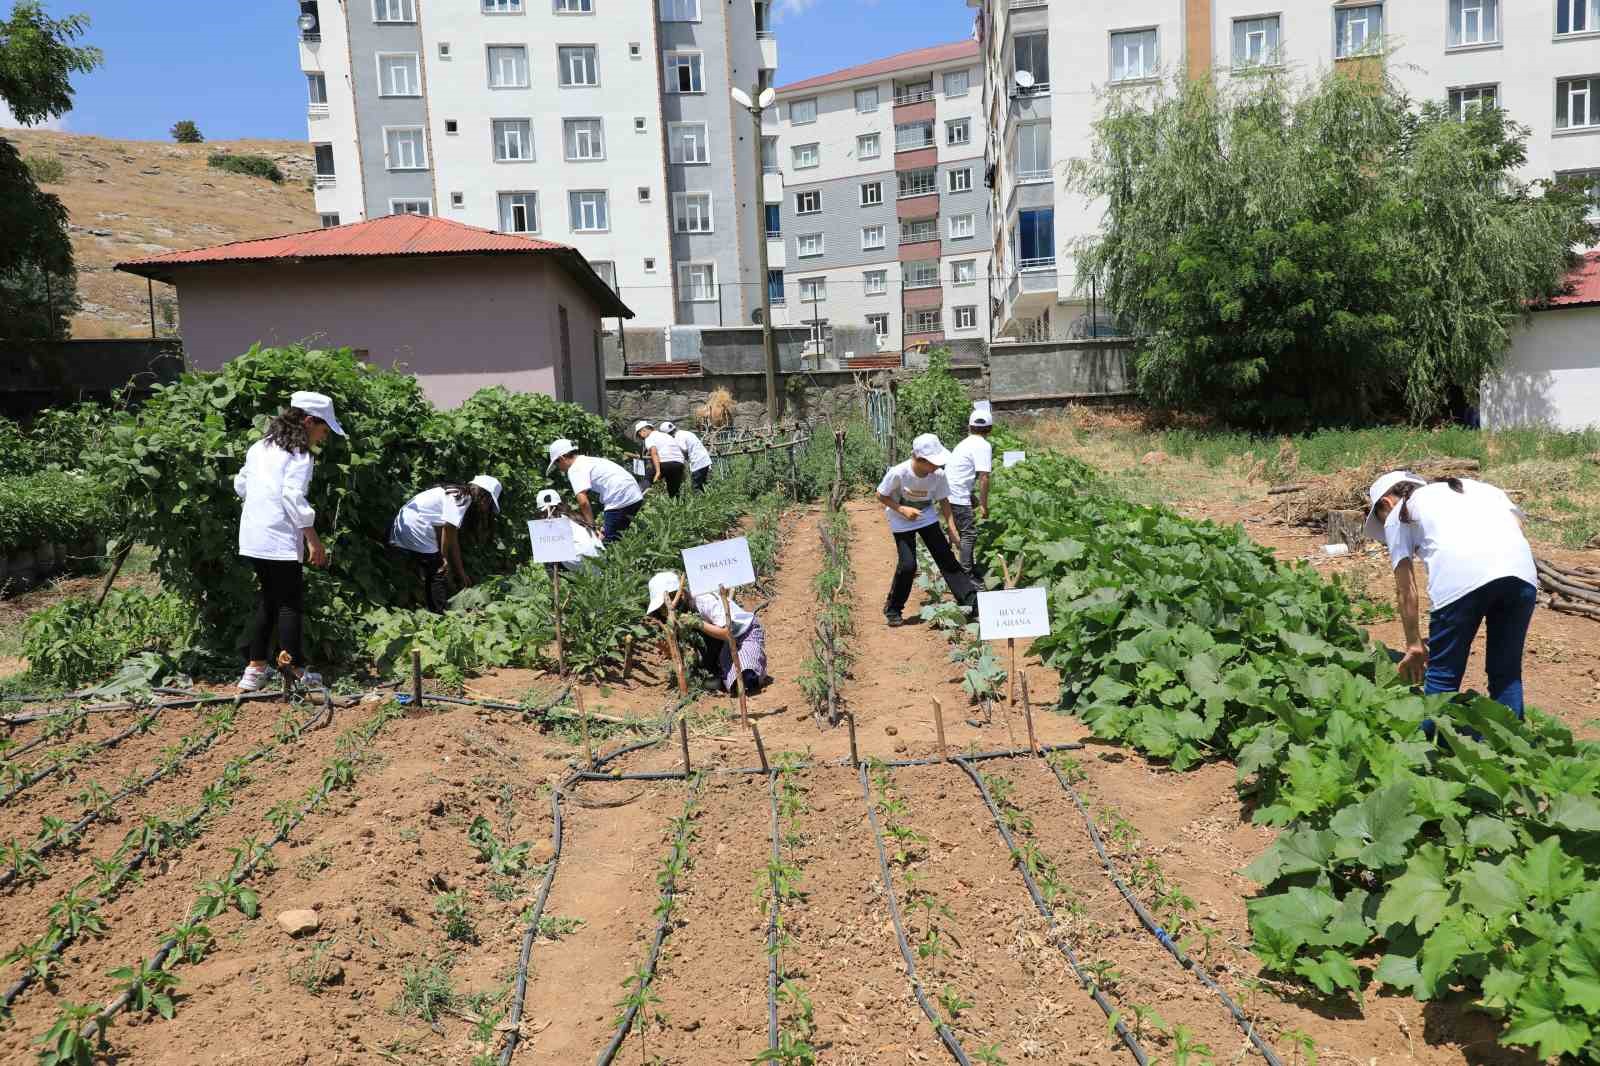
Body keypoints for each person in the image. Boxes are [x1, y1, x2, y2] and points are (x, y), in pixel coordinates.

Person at [1364, 470, 1539, 716]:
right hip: (1521, 575)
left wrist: (1414, 643)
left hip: (1459, 581)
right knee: (1506, 672)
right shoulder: (1477, 488)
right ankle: (1509, 747)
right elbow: (1518, 527)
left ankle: (1432, 749)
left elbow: (1406, 588)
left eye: (1381, 518)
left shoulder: (1397, 513)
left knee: (1442, 677)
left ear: (1386, 502)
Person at [233, 391, 344, 691]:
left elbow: (241, 483)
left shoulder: (260, 447)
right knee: (289, 603)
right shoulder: (299, 454)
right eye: (323, 429)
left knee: (269, 599)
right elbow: (292, 496)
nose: (323, 436)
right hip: (278, 535)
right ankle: (295, 669)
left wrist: (260, 505)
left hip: (253, 534)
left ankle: (254, 670)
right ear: (308, 422)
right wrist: (313, 540)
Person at [876, 433, 979, 627]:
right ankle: (893, 608)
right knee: (908, 565)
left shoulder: (938, 475)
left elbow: (944, 500)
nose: (937, 466)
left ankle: (971, 602)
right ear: (919, 459)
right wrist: (902, 509)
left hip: (926, 516)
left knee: (946, 558)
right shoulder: (899, 473)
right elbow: (881, 495)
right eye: (933, 463)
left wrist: (951, 528)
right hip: (901, 519)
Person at [388, 475, 502, 613]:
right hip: (416, 527)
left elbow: (448, 536)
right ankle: (438, 614)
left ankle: (418, 607)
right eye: (489, 504)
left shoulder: (455, 492)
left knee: (430, 568)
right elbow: (449, 533)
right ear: (485, 496)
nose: (486, 508)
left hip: (405, 525)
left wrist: (460, 572)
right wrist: (445, 560)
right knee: (438, 572)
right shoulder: (462, 499)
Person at [646, 572, 769, 695]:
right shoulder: (678, 615)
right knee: (719, 683)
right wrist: (668, 649)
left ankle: (745, 669)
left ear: (680, 594)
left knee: (747, 680)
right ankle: (719, 671)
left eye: (665, 606)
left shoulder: (704, 599)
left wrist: (698, 623)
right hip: (721, 643)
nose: (665, 612)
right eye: (662, 609)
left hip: (744, 634)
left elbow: (728, 633)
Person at [548, 438, 645, 543]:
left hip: (620, 498)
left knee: (609, 544)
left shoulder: (574, 469)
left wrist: (592, 527)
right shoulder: (586, 460)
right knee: (618, 535)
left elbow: (583, 502)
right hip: (633, 494)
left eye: (556, 463)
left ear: (562, 458)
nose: (558, 467)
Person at [945, 405, 994, 579]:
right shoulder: (983, 445)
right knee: (969, 533)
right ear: (989, 429)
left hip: (949, 490)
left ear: (970, 427)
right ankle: (966, 572)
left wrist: (972, 498)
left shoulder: (965, 443)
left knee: (959, 529)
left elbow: (960, 473)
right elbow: (984, 477)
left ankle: (954, 565)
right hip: (957, 493)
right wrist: (983, 505)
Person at [635, 419, 687, 498]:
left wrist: (658, 471)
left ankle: (638, 494)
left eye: (639, 434)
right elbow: (679, 450)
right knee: (673, 490)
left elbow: (654, 453)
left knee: (648, 477)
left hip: (665, 462)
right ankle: (677, 506)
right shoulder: (666, 435)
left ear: (644, 430)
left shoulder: (649, 437)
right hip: (678, 463)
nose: (640, 437)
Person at [662, 420, 713, 492]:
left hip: (698, 462)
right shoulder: (685, 433)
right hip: (704, 459)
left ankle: (700, 501)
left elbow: (684, 450)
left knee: (696, 487)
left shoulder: (678, 437)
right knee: (702, 484)